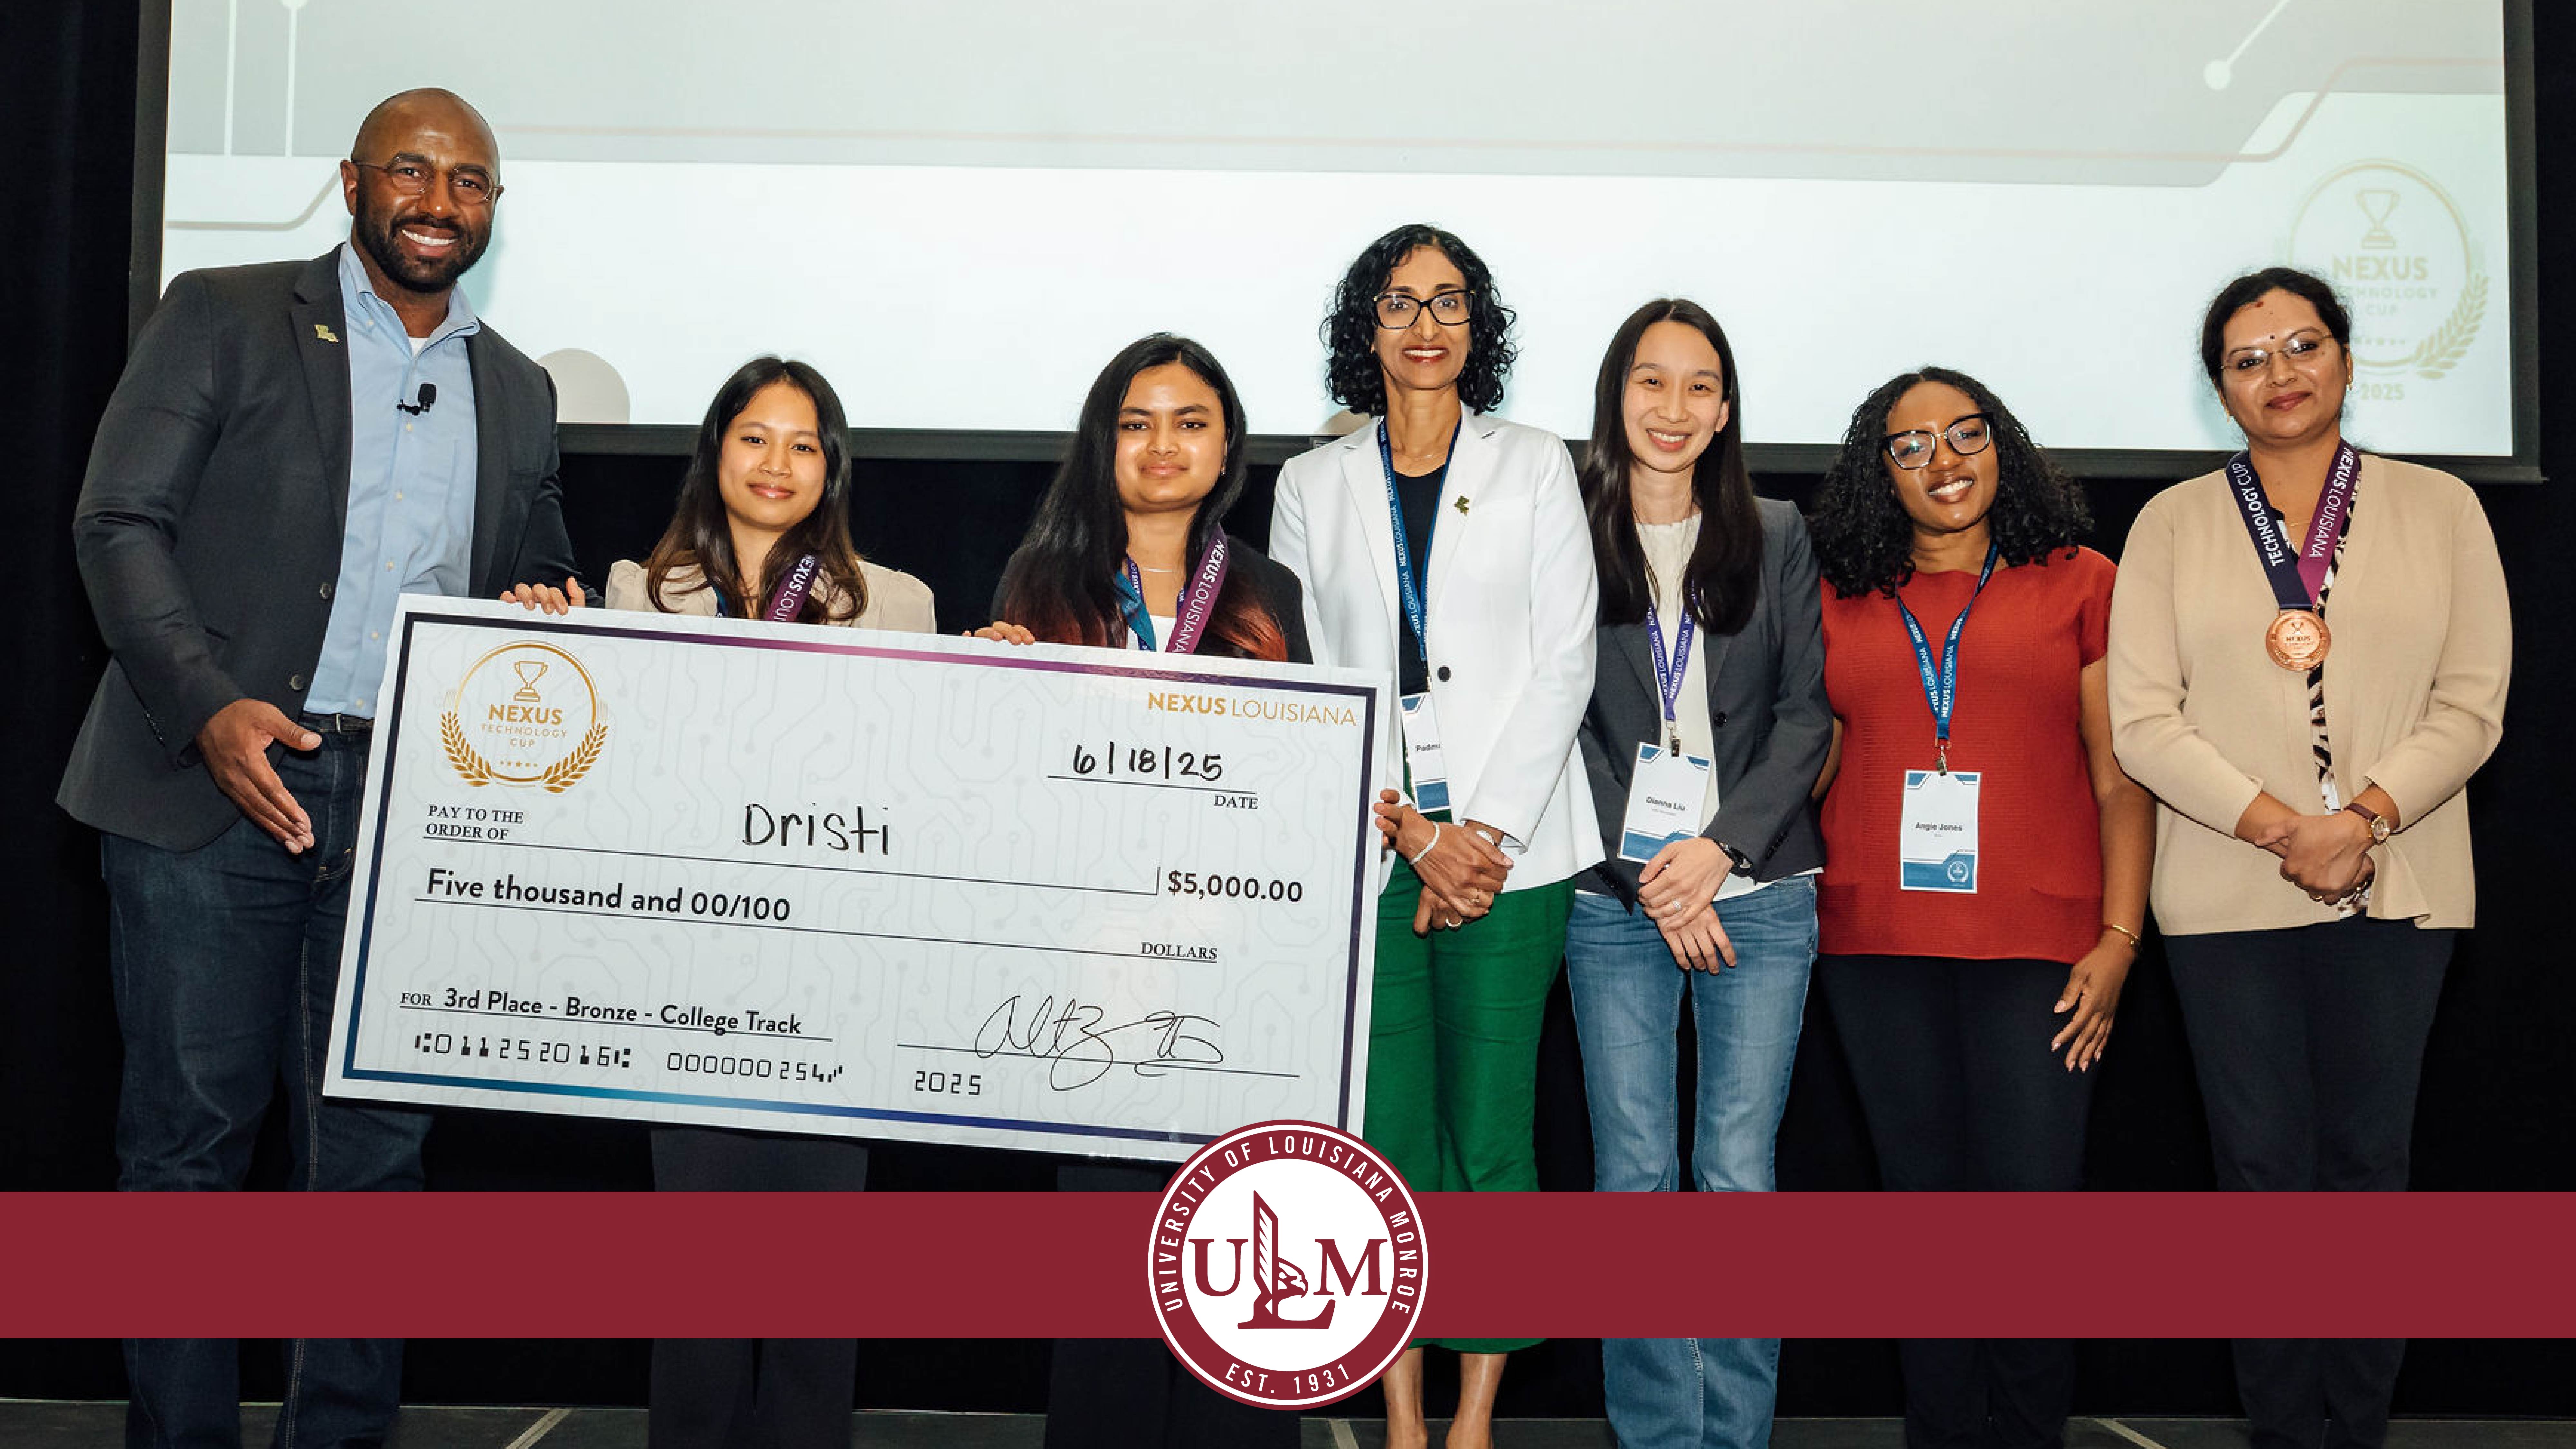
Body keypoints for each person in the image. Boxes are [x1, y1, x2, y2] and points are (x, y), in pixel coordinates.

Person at [58, 88, 579, 1449]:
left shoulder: (517, 389)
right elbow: (119, 520)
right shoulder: (226, 314)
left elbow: (536, 563)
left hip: (409, 816)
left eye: (469, 181)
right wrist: (208, 705)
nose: (437, 199)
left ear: (491, 210)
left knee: (373, 1167)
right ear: (351, 180)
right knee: (184, 1152)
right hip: (207, 794)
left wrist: (545, 605)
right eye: (411, 169)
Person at [2107, 267, 2508, 1449]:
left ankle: (2359, 1428)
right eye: (2248, 357)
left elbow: (2474, 702)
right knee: (2264, 1177)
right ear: (2219, 389)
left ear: (2343, 358)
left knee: (2367, 1173)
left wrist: (2365, 816)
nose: (2279, 373)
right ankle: (2285, 1430)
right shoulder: (2173, 523)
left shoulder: (2441, 507)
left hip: (2404, 882)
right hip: (2231, 895)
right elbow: (2143, 720)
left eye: (2301, 346)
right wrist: (2289, 827)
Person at [1270, 223, 1597, 1449]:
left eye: (1449, 302)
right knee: (1391, 1133)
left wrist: (1485, 836)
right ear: (1369, 328)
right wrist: (1416, 835)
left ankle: (1474, 1421)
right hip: (1373, 855)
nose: (1425, 324)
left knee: (1493, 1132)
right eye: (1400, 303)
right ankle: (1401, 1417)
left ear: (1479, 327)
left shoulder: (1537, 464)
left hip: (1517, 861)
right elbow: (1311, 683)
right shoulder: (1311, 484)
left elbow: (1566, 660)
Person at [972, 332, 1307, 1449]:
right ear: (1101, 443)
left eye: (1190, 422)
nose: (1163, 445)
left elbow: (1296, 778)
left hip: (1236, 969)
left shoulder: (1269, 595)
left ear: (1226, 451)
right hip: (1093, 970)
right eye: (1136, 421)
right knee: (1111, 1273)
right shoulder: (1039, 583)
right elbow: (1007, 787)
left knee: (1239, 1252)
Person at [1807, 367, 2152, 1448]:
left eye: (1966, 435)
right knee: (1923, 1216)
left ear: (2005, 444)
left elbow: (2120, 779)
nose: (1943, 462)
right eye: (1911, 447)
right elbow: (1808, 762)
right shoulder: (1835, 590)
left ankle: (2028, 1430)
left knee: (2028, 1219)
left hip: (2044, 947)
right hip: (1876, 943)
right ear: (1879, 473)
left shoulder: (2084, 579)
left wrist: (2119, 939)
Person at [605, 354, 933, 1449]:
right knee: (694, 1295)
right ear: (716, 451)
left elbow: (925, 793)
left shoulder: (899, 605)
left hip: (837, 992)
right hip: (687, 984)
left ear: (831, 469)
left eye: (804, 443)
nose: (777, 462)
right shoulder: (633, 595)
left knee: (813, 1300)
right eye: (755, 436)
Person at [1561, 299, 1828, 1448]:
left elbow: (1806, 717)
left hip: (1759, 897)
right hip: (1612, 903)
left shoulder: (1775, 531)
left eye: (1701, 386)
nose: (1676, 410)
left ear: (1726, 408)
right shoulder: (1560, 526)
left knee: (1735, 1174)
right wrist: (1651, 877)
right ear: (1618, 395)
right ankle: (1661, 1437)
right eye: (1652, 383)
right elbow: (1553, 724)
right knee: (1633, 1180)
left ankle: (1736, 1436)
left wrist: (1720, 854)